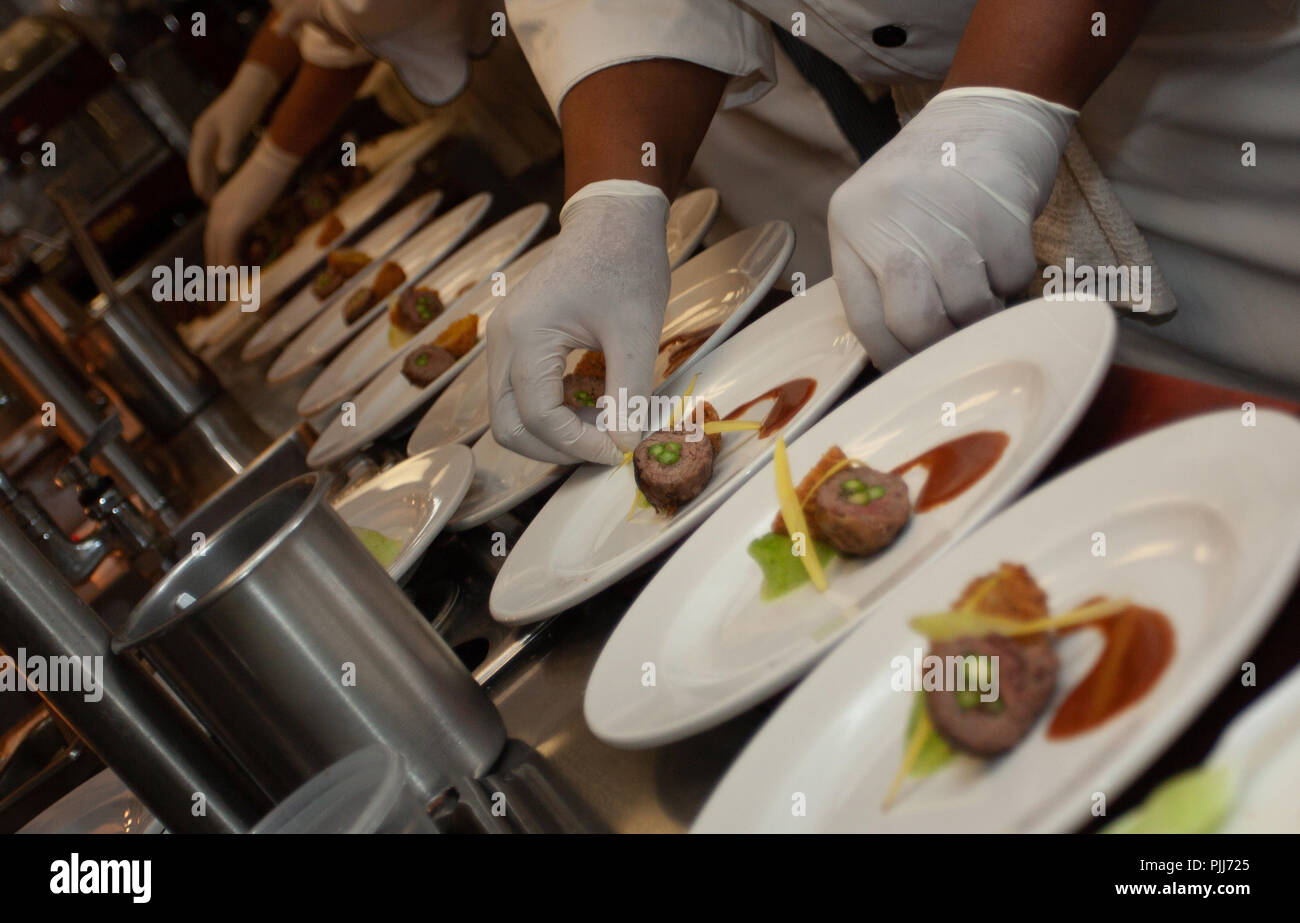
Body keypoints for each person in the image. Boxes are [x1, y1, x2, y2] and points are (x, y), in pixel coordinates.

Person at [487, 0, 1300, 468]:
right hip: (961, 137)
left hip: (1222, 77)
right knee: (1180, 476)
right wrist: (614, 197)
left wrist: (1004, 99)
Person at [195, 0, 501, 267]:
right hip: (433, 73)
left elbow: (364, 14)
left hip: (497, 52)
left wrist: (273, 159)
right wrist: (254, 81)